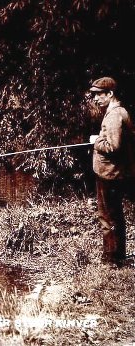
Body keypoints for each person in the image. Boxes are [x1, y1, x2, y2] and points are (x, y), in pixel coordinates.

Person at [88, 76, 134, 266]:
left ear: (110, 94)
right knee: (115, 215)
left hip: (108, 174)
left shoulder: (114, 115)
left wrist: (96, 141)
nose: (96, 99)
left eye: (99, 95)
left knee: (107, 217)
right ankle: (118, 256)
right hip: (115, 173)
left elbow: (113, 146)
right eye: (94, 95)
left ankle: (111, 259)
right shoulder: (120, 112)